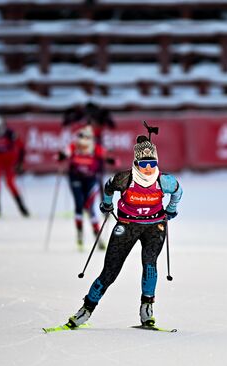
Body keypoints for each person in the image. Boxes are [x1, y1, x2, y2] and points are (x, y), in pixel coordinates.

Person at [65, 132, 183, 328]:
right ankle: (86, 309)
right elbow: (109, 187)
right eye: (143, 164)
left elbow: (178, 191)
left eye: (152, 164)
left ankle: (147, 312)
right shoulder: (124, 178)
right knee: (110, 271)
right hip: (127, 225)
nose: (148, 168)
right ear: (136, 163)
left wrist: (171, 209)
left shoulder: (164, 181)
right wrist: (106, 204)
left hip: (154, 227)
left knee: (150, 264)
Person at [57, 125, 116, 251]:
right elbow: (63, 154)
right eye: (81, 138)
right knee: (79, 205)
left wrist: (111, 160)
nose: (84, 143)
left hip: (90, 180)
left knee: (89, 208)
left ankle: (98, 237)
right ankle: (80, 235)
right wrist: (61, 156)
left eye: (87, 139)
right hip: (76, 178)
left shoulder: (96, 148)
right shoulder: (74, 146)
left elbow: (111, 158)